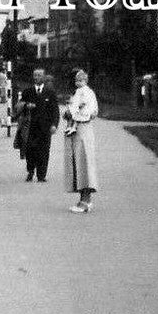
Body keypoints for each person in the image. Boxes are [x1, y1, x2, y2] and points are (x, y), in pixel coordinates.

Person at [63, 69, 100, 213]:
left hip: (83, 131)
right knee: (78, 164)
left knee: (84, 163)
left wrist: (71, 113)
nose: (78, 82)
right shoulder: (78, 92)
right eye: (76, 79)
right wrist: (68, 113)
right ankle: (83, 199)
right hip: (77, 131)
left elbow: (89, 112)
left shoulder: (87, 93)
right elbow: (72, 108)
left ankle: (86, 201)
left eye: (80, 79)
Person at [15, 68, 59, 181]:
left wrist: (54, 125)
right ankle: (30, 171)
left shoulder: (50, 92)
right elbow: (19, 106)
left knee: (44, 151)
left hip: (45, 127)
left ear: (44, 77)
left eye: (39, 75)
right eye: (35, 75)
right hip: (30, 127)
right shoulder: (28, 92)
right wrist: (26, 106)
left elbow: (55, 110)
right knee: (30, 150)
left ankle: (41, 175)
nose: (36, 77)